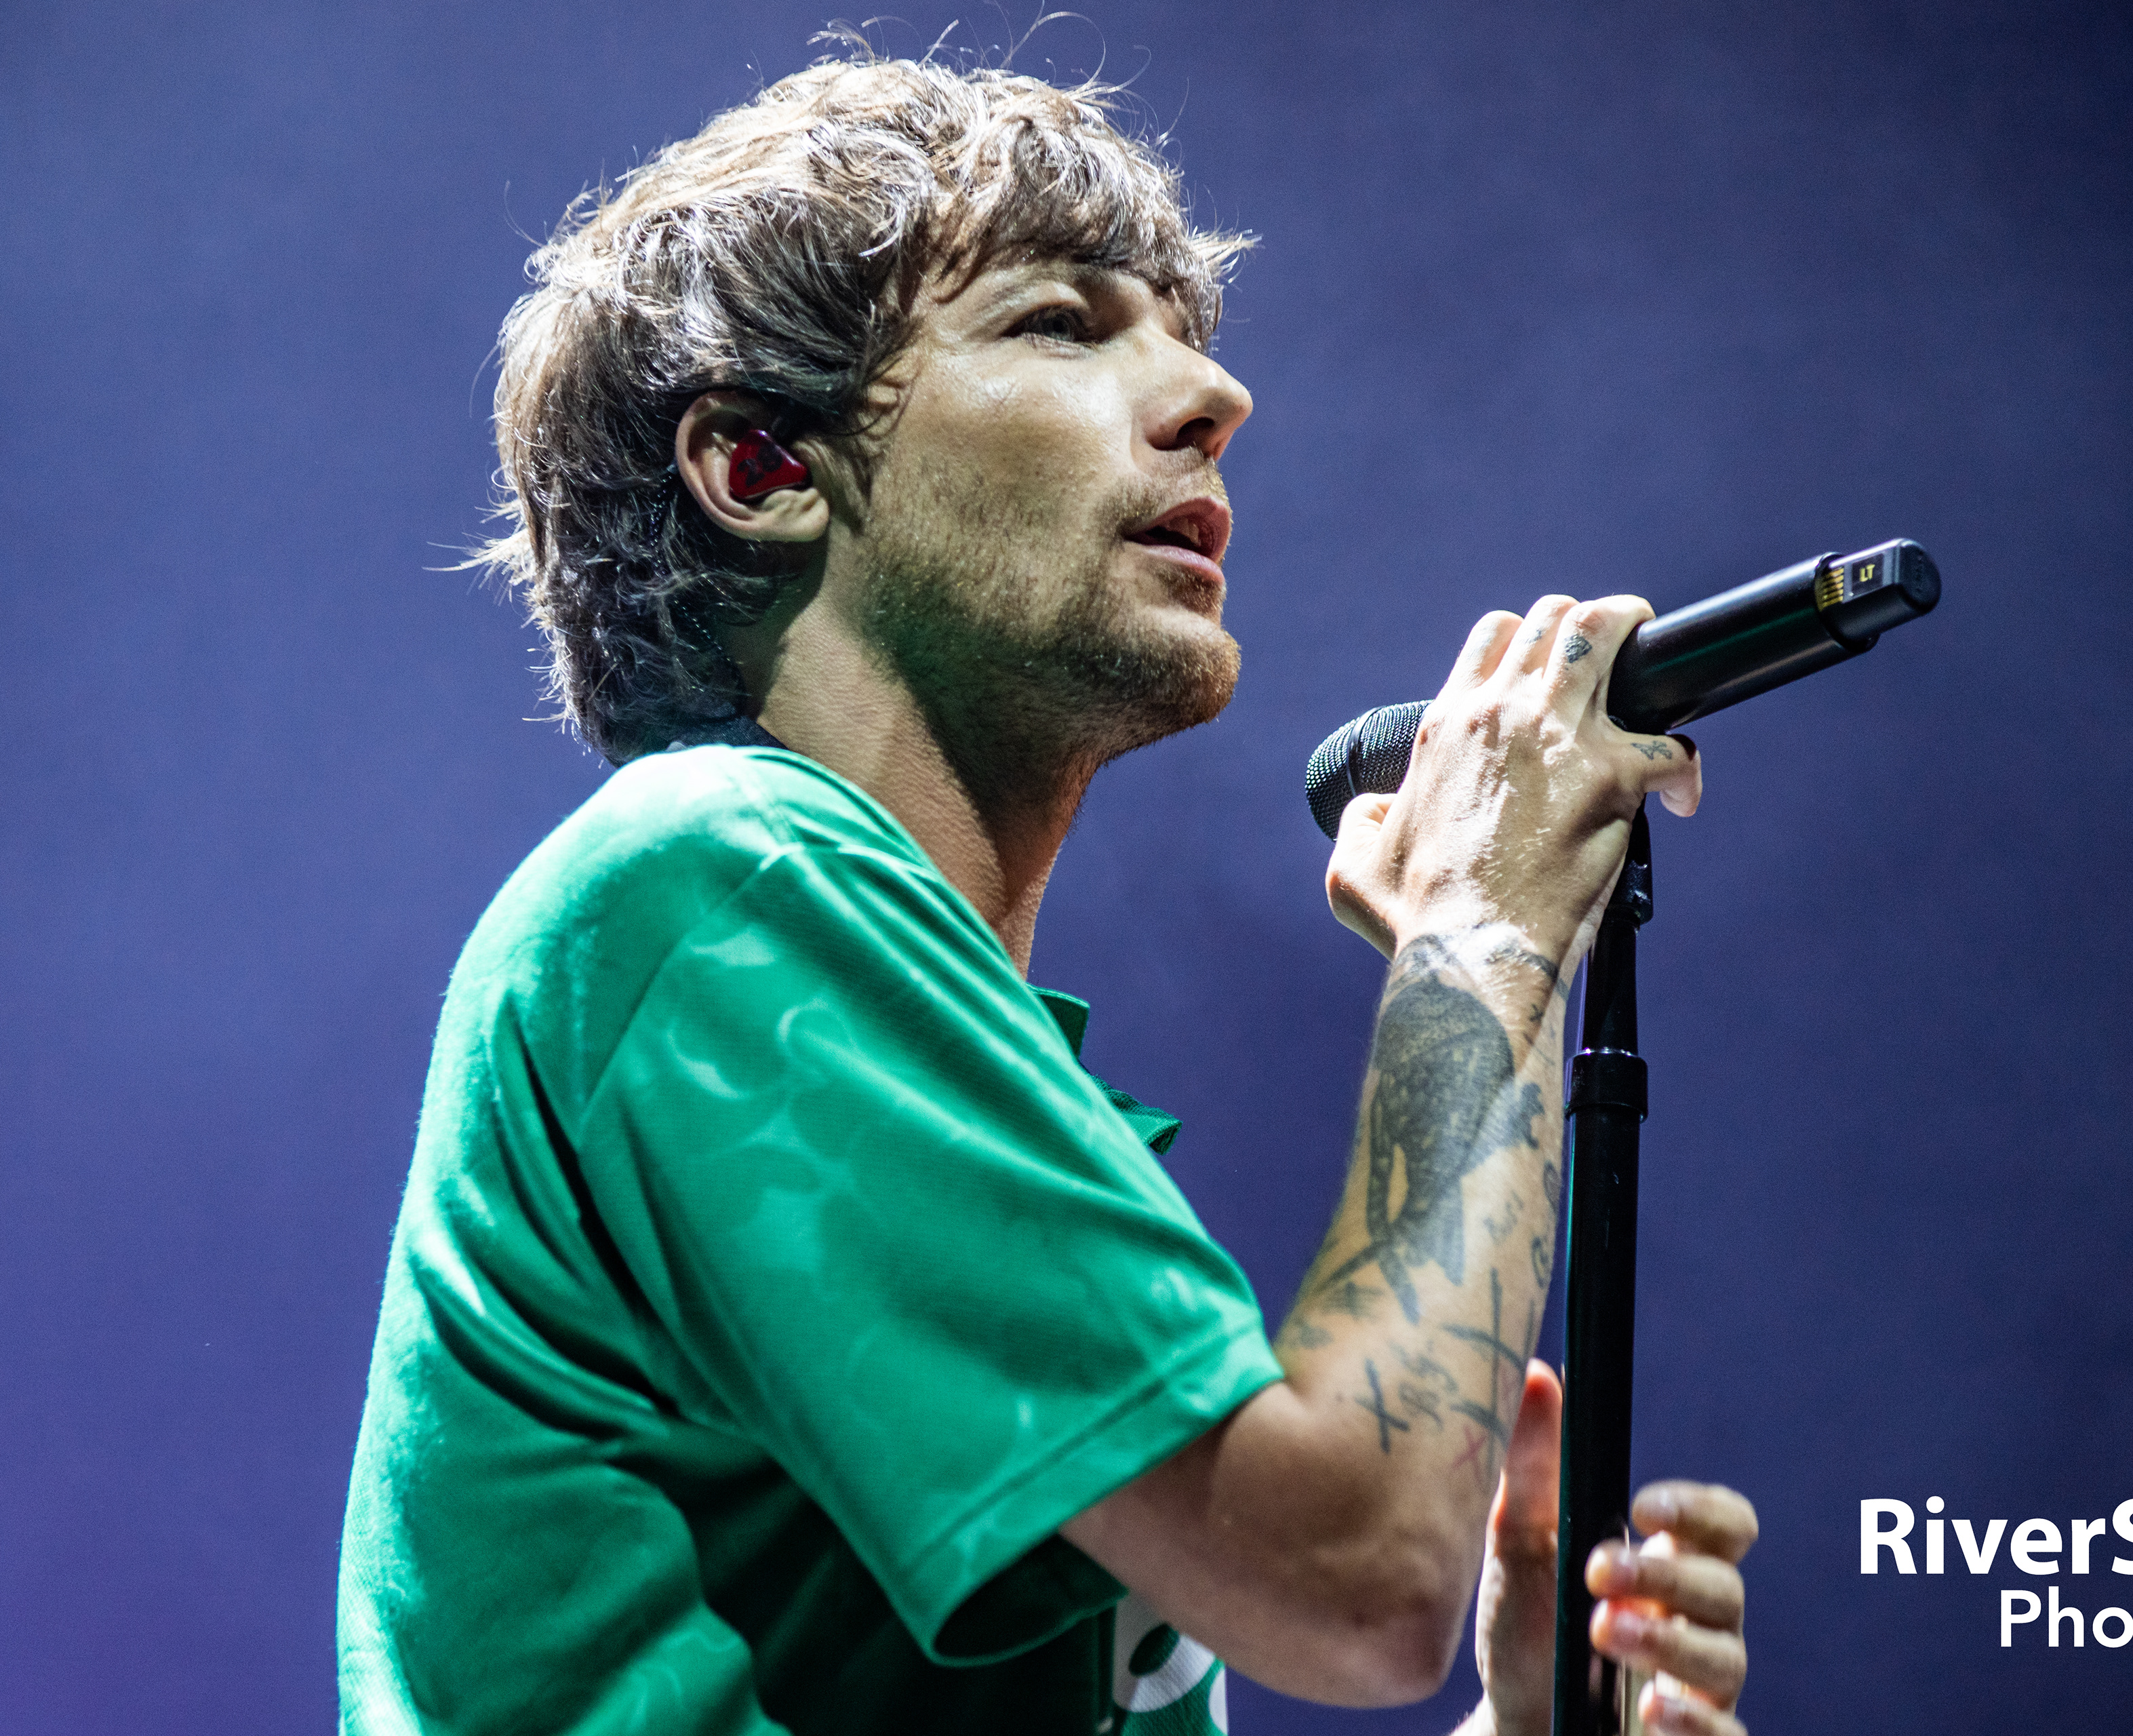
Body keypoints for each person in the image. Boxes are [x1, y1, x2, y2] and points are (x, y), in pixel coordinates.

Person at [339, 47, 1756, 1736]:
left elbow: (1352, 1595)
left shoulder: (928, 1040)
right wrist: (1482, 930)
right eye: (1061, 324)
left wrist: (1517, 1726)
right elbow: (1363, 1581)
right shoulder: (707, 883)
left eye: (1185, 330)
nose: (1214, 394)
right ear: (765, 467)